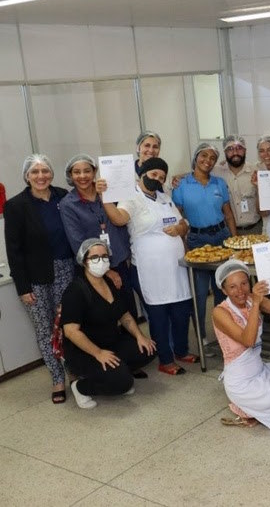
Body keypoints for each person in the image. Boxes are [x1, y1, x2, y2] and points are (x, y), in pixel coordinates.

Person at [99, 157, 195, 376]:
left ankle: (181, 351)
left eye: (161, 176)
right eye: (153, 175)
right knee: (159, 315)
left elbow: (183, 222)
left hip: (176, 268)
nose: (157, 179)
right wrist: (104, 198)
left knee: (181, 312)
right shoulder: (131, 198)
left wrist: (180, 229)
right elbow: (119, 219)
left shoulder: (165, 198)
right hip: (150, 269)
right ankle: (166, 359)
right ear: (142, 174)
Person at [4, 154, 74, 403]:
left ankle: (74, 371)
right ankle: (57, 379)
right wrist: (23, 287)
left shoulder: (63, 196)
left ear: (52, 173)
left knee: (70, 324)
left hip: (67, 268)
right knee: (46, 329)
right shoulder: (15, 206)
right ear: (26, 176)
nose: (41, 176)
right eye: (35, 172)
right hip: (35, 276)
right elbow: (14, 251)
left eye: (45, 170)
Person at [63, 239, 156, 409]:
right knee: (123, 383)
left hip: (111, 341)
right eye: (95, 257)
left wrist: (140, 337)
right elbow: (70, 331)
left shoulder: (110, 283)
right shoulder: (75, 291)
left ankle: (116, 373)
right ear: (84, 261)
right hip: (86, 351)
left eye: (105, 256)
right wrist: (98, 353)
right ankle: (80, 387)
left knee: (148, 349)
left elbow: (125, 316)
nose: (101, 260)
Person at [212, 260, 270, 428]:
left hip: (260, 369)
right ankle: (250, 407)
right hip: (241, 382)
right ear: (223, 290)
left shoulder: (250, 298)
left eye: (244, 283)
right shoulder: (219, 312)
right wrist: (256, 303)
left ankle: (257, 409)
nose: (240, 291)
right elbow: (248, 340)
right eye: (232, 287)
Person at [172, 143, 236, 348]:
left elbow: (228, 213)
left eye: (212, 158)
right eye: (203, 156)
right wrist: (184, 245)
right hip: (197, 240)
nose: (207, 161)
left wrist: (234, 242)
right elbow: (178, 216)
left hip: (221, 237)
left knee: (222, 289)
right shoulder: (181, 185)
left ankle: (224, 332)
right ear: (196, 157)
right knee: (199, 292)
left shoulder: (219, 183)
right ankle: (201, 337)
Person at [59, 154, 135, 316]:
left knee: (129, 311)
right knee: (106, 317)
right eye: (77, 172)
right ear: (70, 176)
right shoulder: (68, 204)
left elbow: (122, 222)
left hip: (121, 262)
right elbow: (77, 242)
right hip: (94, 267)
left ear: (95, 172)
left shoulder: (109, 191)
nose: (82, 176)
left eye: (87, 171)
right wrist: (106, 271)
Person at [215, 135, 261, 235]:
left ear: (245, 151)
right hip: (228, 232)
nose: (235, 152)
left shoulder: (256, 171)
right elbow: (199, 173)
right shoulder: (217, 172)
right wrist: (179, 179)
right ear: (225, 152)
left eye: (239, 148)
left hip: (255, 230)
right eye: (230, 149)